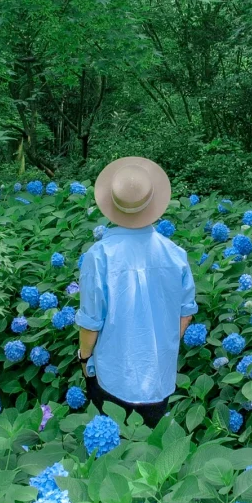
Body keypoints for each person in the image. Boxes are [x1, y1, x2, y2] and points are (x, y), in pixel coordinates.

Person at [75, 157, 197, 428]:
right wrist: (159, 347)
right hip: (158, 378)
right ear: (153, 204)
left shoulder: (99, 256)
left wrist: (84, 359)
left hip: (111, 377)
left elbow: (91, 323)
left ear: (111, 204)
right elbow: (186, 314)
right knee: (152, 449)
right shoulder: (175, 254)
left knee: (111, 447)